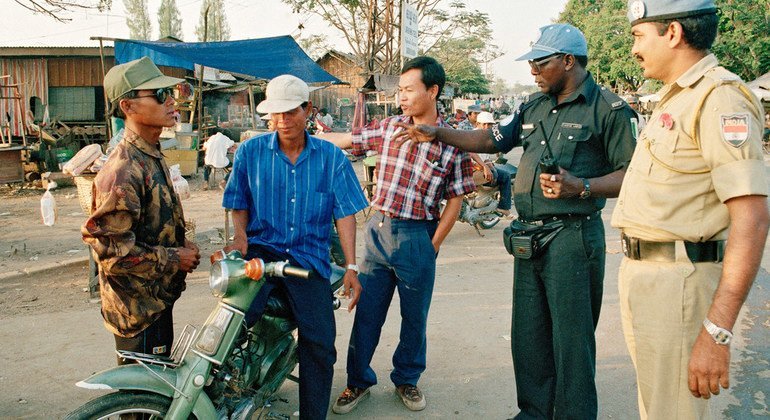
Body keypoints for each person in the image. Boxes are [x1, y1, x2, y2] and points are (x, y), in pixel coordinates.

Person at [391, 25, 637, 418]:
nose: (533, 71)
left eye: (541, 62)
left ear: (569, 61)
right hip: (529, 237)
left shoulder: (608, 110)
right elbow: (493, 142)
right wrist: (436, 133)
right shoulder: (534, 106)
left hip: (573, 239)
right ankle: (534, 413)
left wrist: (583, 186)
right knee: (530, 337)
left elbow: (633, 174)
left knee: (572, 342)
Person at [611, 1, 769, 418]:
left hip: (679, 286)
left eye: (638, 36)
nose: (633, 48)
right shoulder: (676, 97)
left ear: (674, 33)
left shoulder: (720, 99)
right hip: (647, 278)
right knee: (657, 407)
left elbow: (750, 217)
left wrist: (716, 331)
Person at [330, 56, 476, 414]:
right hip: (379, 232)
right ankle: (357, 381)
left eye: (410, 90)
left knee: (415, 317)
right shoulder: (390, 126)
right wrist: (295, 136)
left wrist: (433, 245)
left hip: (418, 236)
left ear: (433, 91)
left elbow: (455, 200)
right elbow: (346, 139)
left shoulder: (452, 141)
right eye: (401, 90)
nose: (402, 97)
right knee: (367, 312)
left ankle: (407, 380)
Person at [221, 74, 368, 418]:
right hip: (261, 252)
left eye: (291, 112)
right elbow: (238, 201)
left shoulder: (331, 158)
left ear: (308, 110)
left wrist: (350, 267)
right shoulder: (250, 152)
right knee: (231, 322)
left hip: (308, 260)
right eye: (276, 114)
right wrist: (240, 238)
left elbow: (345, 214)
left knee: (319, 344)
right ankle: (223, 397)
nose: (283, 121)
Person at [82, 56, 202, 365]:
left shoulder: (150, 153)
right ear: (128, 107)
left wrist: (180, 243)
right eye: (160, 95)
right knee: (141, 403)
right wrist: (176, 257)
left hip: (154, 302)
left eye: (171, 93)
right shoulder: (123, 169)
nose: (171, 102)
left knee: (155, 397)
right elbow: (113, 255)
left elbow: (150, 222)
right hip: (137, 312)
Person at [465, 111, 513, 216]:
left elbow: (486, 157)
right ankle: (504, 207)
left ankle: (495, 204)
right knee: (502, 176)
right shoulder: (473, 135)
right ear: (478, 124)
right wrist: (485, 166)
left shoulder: (487, 137)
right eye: (484, 124)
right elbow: (471, 152)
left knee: (502, 174)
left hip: (480, 168)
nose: (487, 127)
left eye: (489, 124)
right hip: (472, 170)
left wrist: (489, 165)